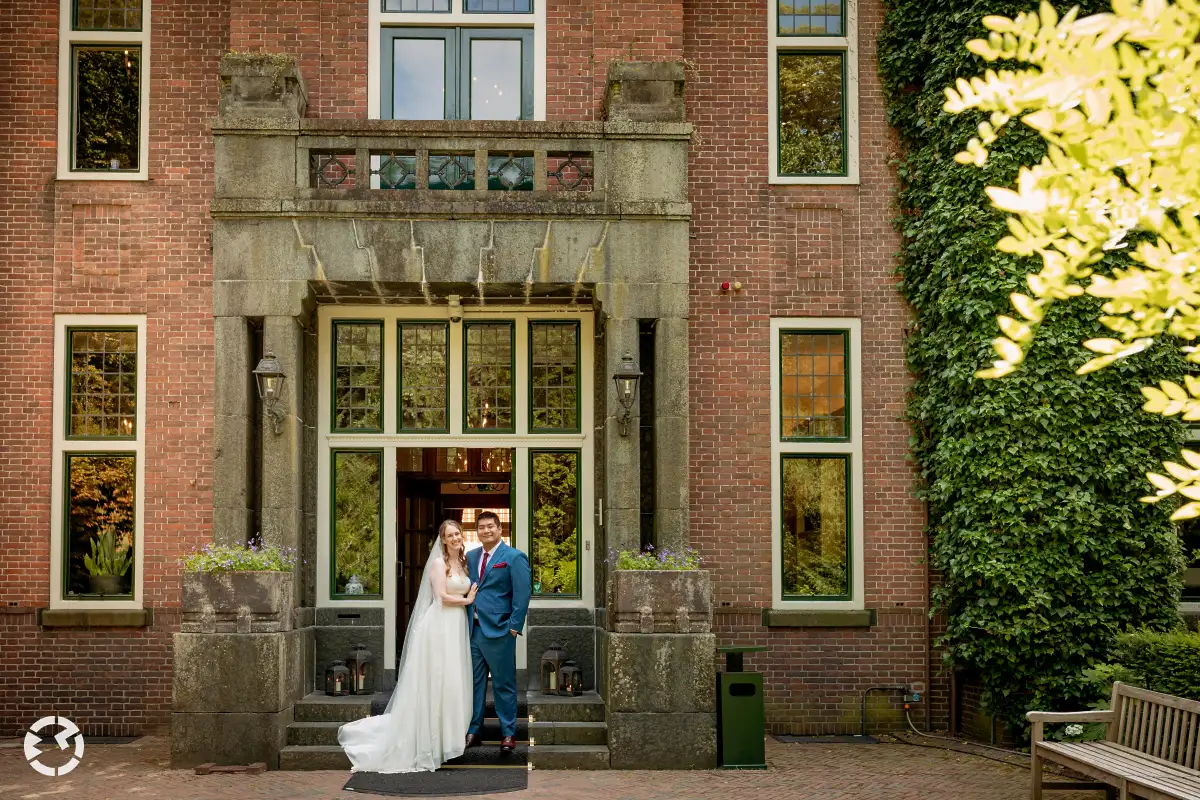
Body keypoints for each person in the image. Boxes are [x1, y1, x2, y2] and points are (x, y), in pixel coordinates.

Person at [337, 519, 478, 773]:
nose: (455, 538)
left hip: (457, 625)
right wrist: (467, 600)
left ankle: (448, 739)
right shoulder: (439, 563)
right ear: (443, 540)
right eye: (450, 535)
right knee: (438, 680)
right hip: (440, 625)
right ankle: (429, 743)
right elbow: (441, 597)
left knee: (452, 680)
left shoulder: (464, 563)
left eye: (457, 533)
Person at [463, 511, 531, 754]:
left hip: (501, 630)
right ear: (477, 531)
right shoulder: (471, 557)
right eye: (481, 527)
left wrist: (514, 627)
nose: (486, 531)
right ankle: (474, 730)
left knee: (504, 684)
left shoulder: (514, 557)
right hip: (473, 630)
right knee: (474, 684)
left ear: (500, 529)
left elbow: (522, 593)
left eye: (490, 526)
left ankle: (508, 733)